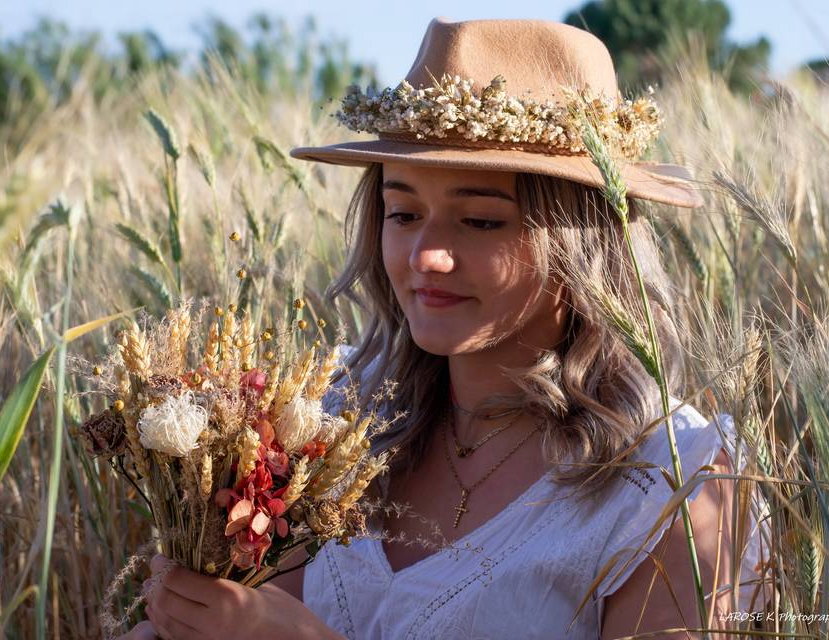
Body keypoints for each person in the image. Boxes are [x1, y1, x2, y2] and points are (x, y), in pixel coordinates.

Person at [120, 18, 767, 639]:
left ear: (584, 246)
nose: (424, 255)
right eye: (402, 213)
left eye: (480, 221)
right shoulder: (332, 412)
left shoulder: (677, 487)